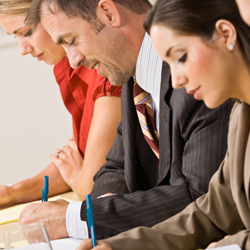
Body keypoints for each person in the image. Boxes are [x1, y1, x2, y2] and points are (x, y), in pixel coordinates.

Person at [18, 0, 232, 242]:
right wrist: (101, 217)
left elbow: (203, 198)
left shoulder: (195, 77)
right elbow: (116, 168)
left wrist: (80, 218)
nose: (73, 61)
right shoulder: (133, 79)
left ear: (109, 13)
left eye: (71, 41)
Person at [75, 0, 250, 249]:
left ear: (225, 34)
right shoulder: (241, 113)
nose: (176, 81)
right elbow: (211, 213)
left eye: (181, 57)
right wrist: (117, 247)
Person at [0, 0, 122, 208]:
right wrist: (11, 193)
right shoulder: (65, 66)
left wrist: (79, 179)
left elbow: (90, 184)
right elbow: (75, 160)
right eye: (15, 36)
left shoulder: (106, 69)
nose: (22, 49)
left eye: (27, 32)